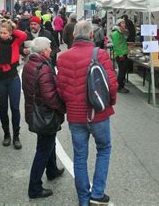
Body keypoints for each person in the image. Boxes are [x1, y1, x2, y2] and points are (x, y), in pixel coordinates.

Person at [56, 21, 118, 206]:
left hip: (75, 116)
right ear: (91, 35)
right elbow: (112, 85)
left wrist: (70, 105)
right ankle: (97, 194)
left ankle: (84, 198)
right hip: (98, 112)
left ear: (74, 36)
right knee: (104, 149)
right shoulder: (100, 54)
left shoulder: (63, 57)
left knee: (80, 156)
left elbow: (61, 88)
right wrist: (109, 103)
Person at [22, 37, 65, 200]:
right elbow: (50, 96)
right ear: (42, 51)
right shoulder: (44, 67)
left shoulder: (29, 64)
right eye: (48, 48)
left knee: (49, 142)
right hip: (44, 114)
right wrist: (62, 109)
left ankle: (52, 170)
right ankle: (34, 188)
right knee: (43, 149)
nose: (50, 50)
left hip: (35, 111)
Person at [0, 19, 27, 149]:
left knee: (15, 108)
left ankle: (16, 136)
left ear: (10, 33)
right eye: (1, 32)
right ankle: (6, 135)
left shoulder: (15, 40)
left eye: (5, 33)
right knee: (3, 109)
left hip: (13, 78)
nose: (2, 35)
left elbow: (24, 36)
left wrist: (12, 28)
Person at [111, 18, 130, 94]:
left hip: (123, 53)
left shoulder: (121, 32)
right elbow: (116, 45)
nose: (124, 24)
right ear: (119, 24)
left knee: (123, 70)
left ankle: (121, 85)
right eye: (122, 23)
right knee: (122, 70)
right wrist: (120, 54)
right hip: (120, 54)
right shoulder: (116, 33)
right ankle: (119, 87)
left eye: (124, 23)